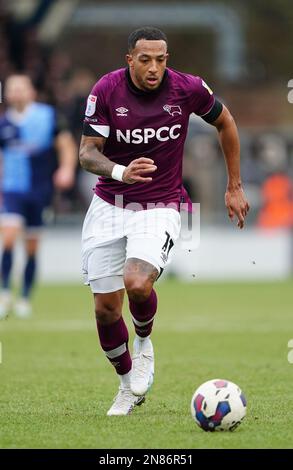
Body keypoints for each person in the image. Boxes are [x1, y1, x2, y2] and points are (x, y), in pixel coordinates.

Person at [79, 27, 250, 416]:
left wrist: (234, 186)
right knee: (106, 309)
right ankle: (127, 386)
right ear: (130, 60)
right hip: (109, 204)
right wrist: (121, 171)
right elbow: (87, 154)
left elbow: (226, 123)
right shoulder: (105, 90)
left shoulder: (187, 89)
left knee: (137, 282)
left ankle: (144, 341)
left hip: (159, 205)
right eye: (145, 60)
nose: (154, 67)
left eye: (161, 59)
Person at [0, 74, 77, 318]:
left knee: (32, 246)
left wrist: (66, 169)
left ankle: (24, 297)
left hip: (40, 190)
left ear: (31, 91)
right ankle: (4, 293)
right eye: (12, 88)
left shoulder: (48, 116)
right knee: (9, 237)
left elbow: (66, 145)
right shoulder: (3, 123)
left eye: (21, 88)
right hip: (12, 189)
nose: (16, 92)